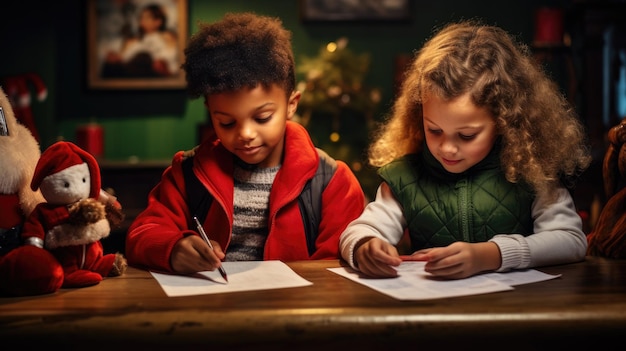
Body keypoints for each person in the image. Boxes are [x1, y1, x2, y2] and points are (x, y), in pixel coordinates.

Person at [339, 20, 592, 279]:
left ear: (505, 122)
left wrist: (490, 255)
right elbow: (358, 231)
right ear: (419, 116)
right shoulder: (405, 175)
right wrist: (364, 246)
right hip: (434, 311)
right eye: (434, 130)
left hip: (519, 311)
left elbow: (570, 240)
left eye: (467, 135)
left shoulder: (533, 170)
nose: (447, 148)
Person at [125, 12, 366, 274]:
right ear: (210, 112)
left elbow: (334, 267)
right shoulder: (187, 172)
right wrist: (173, 247)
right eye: (226, 123)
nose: (245, 134)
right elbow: (143, 232)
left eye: (262, 118)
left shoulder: (332, 181)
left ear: (291, 105)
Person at [102, 3, 178, 78]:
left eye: (147, 18)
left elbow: (171, 59)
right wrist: (116, 57)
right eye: (141, 18)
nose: (142, 21)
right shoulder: (134, 40)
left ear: (158, 21)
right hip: (133, 71)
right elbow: (124, 58)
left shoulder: (167, 37)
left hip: (156, 73)